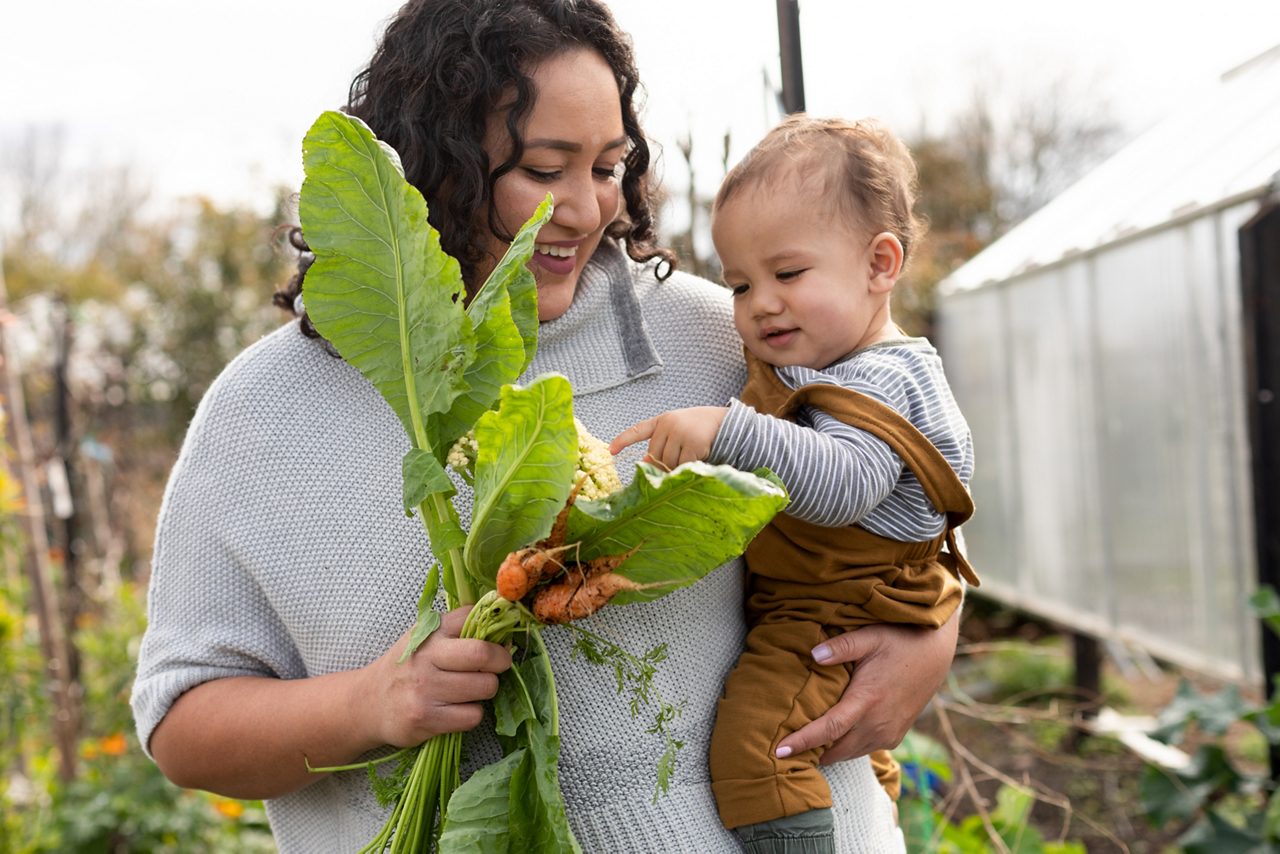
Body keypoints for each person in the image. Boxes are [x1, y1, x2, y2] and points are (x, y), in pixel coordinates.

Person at [130, 3, 961, 851]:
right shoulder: (262, 413)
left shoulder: (740, 337)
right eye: (542, 168)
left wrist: (932, 635)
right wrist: (376, 704)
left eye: (607, 166)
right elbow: (182, 723)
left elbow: (911, 488)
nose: (586, 208)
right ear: (437, 162)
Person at [611, 114, 979, 854]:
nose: (760, 304)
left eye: (788, 274)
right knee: (841, 749)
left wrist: (726, 430)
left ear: (881, 265)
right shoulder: (837, 363)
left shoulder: (880, 378)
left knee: (759, 749)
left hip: (834, 611)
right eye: (740, 283)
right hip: (829, 599)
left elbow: (844, 485)